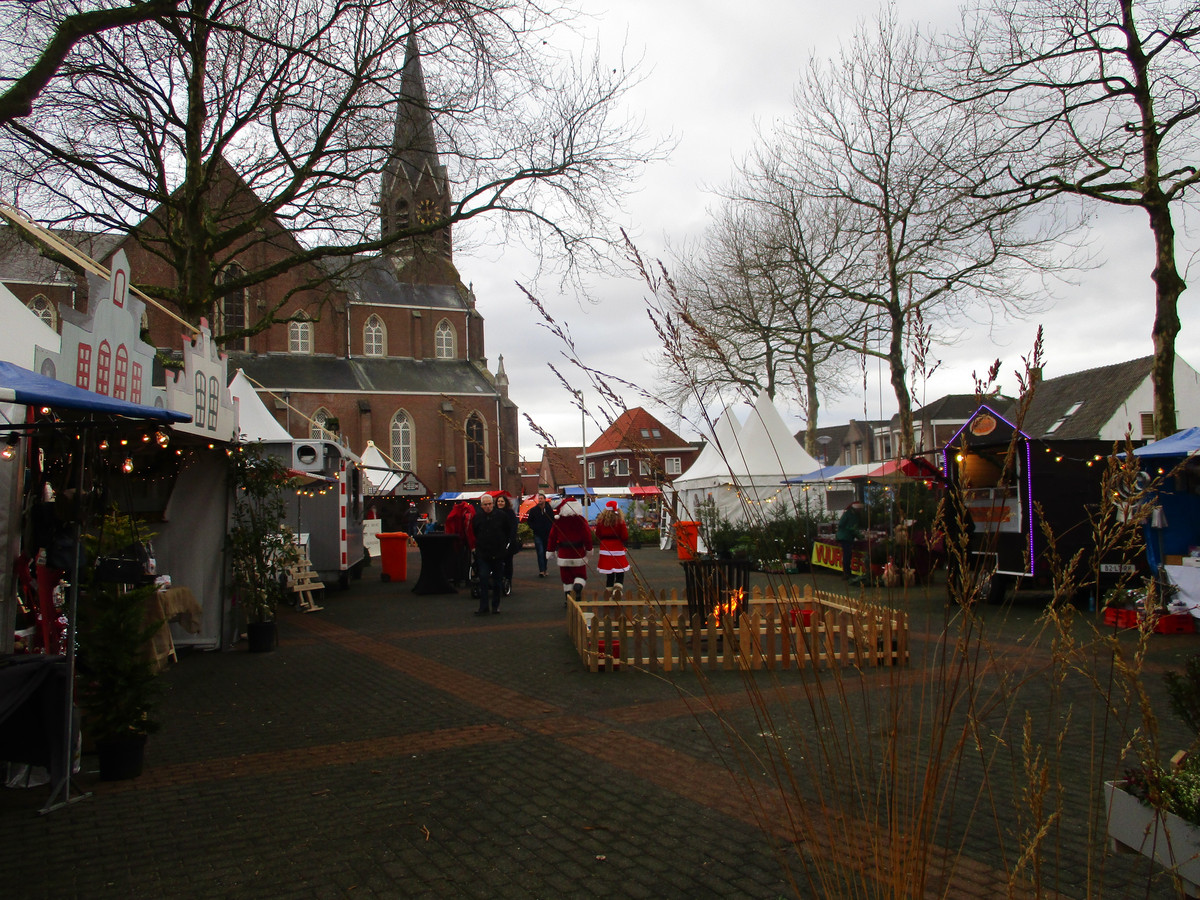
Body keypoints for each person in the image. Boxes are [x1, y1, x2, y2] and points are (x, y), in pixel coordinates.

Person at [547, 497, 592, 606]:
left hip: (563, 554)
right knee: (580, 574)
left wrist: (550, 551)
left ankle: (568, 598)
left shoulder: (559, 521)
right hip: (578, 553)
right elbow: (587, 536)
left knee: (566, 577)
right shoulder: (581, 520)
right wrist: (589, 549)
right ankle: (578, 586)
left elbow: (552, 537)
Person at [470, 493, 510, 615]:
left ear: (493, 504)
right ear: (481, 506)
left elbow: (507, 531)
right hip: (483, 553)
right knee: (483, 578)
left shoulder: (502, 516)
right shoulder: (477, 518)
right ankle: (483, 607)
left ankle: (495, 606)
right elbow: (475, 532)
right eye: (485, 505)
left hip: (498, 553)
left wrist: (504, 545)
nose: (488, 506)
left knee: (497, 581)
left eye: (490, 504)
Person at [593, 500, 630, 595]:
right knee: (620, 571)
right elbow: (625, 536)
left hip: (605, 548)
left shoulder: (601, 521)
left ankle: (609, 593)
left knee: (609, 574)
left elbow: (598, 534)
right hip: (617, 548)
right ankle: (617, 591)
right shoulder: (620, 521)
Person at [493, 492, 519, 596]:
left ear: (505, 502)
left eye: (502, 501)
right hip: (497, 542)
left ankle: (508, 581)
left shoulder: (510, 513)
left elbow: (513, 527)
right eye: (498, 501)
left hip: (508, 542)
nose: (500, 503)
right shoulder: (494, 512)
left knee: (508, 563)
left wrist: (511, 539)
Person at [526, 492, 555, 578]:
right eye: (539, 498)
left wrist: (550, 527)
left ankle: (545, 568)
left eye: (541, 498)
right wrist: (534, 527)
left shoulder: (548, 509)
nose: (540, 500)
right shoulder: (534, 510)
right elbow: (529, 521)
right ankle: (541, 570)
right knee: (540, 552)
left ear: (545, 500)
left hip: (547, 534)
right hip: (538, 534)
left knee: (545, 552)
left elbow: (552, 520)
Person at [836, 501, 864, 580]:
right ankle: (847, 572)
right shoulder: (852, 515)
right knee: (847, 555)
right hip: (846, 537)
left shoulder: (848, 513)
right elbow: (852, 528)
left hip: (844, 536)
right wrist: (860, 536)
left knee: (846, 555)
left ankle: (847, 572)